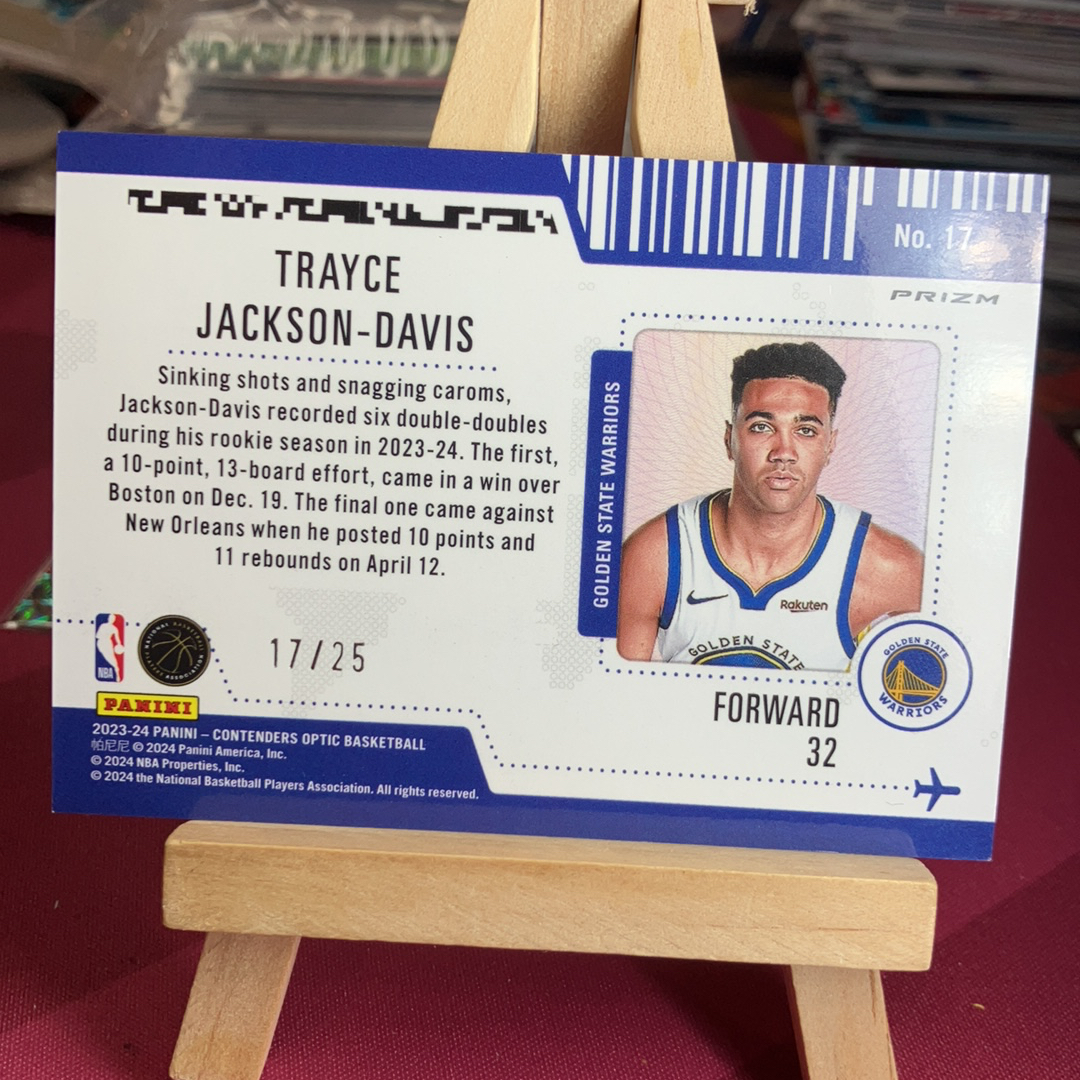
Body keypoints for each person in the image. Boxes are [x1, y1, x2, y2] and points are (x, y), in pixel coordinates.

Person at [616, 341, 923, 670]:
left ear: (830, 446)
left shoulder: (890, 568)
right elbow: (611, 693)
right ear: (729, 440)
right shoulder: (656, 555)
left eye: (806, 430)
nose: (783, 452)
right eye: (762, 427)